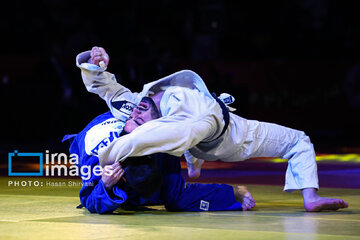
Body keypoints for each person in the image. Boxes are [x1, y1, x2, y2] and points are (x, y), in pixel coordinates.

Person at [76, 47, 348, 212]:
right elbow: (149, 138)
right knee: (298, 141)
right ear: (152, 129)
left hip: (191, 131)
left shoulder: (137, 108)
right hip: (228, 134)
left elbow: (109, 91)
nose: (134, 115)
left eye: (133, 119)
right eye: (137, 122)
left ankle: (194, 165)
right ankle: (310, 198)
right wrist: (107, 160)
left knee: (166, 134)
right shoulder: (174, 126)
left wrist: (93, 62)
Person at [63, 111, 255, 213]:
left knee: (174, 198)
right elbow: (89, 201)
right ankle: (233, 192)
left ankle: (233, 192)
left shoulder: (156, 139)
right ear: (121, 178)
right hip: (107, 141)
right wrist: (104, 184)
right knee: (108, 200)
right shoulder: (92, 159)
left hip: (150, 140)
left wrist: (193, 153)